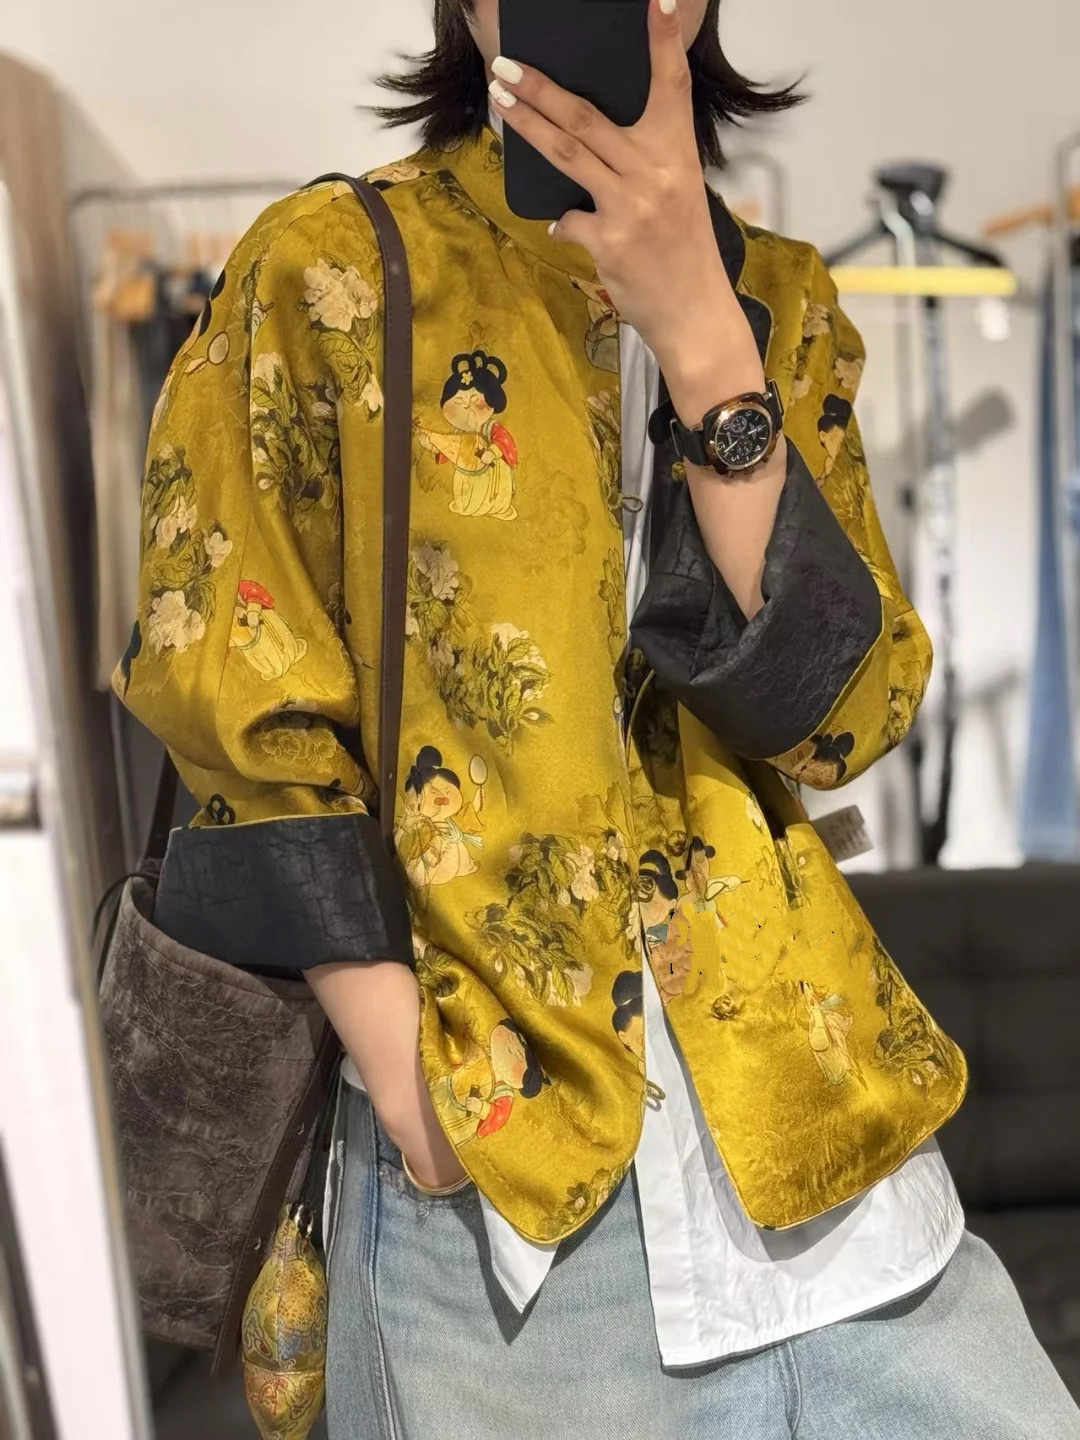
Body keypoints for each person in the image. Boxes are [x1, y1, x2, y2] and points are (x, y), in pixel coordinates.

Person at [115, 0, 1080, 1435]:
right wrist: (416, 1098)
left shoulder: (781, 299)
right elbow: (236, 699)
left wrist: (703, 339)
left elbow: (848, 717)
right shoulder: (327, 271)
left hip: (828, 1168)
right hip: (506, 1218)